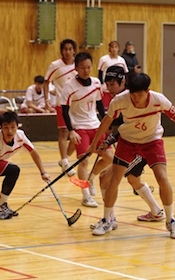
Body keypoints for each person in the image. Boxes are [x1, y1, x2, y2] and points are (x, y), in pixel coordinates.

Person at [87, 72, 175, 238]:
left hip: (152, 141)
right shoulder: (120, 101)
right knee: (114, 179)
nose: (136, 98)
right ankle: (107, 220)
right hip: (128, 141)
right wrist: (94, 144)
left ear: (148, 91)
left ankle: (171, 221)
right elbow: (106, 122)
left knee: (162, 178)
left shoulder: (159, 100)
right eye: (133, 94)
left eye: (140, 94)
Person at [89, 66, 166, 230]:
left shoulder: (132, 98)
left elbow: (132, 128)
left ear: (122, 82)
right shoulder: (120, 101)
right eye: (107, 84)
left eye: (112, 84)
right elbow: (124, 128)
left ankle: (109, 219)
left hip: (143, 144)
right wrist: (107, 141)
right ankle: (156, 211)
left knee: (106, 177)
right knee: (132, 178)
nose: (109, 88)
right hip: (130, 143)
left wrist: (108, 140)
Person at [60, 52, 114, 208]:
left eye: (89, 67)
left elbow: (99, 105)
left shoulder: (97, 83)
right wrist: (71, 131)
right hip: (80, 128)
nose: (86, 70)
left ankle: (91, 178)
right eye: (82, 67)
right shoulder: (69, 86)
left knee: (109, 157)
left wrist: (107, 123)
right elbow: (64, 110)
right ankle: (85, 195)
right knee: (84, 161)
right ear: (76, 68)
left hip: (96, 126)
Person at [43, 38, 78, 177]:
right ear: (61, 51)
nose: (68, 52)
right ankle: (65, 162)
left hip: (77, 104)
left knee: (78, 133)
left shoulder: (79, 64)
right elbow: (46, 83)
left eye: (70, 49)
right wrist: (46, 100)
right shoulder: (55, 65)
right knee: (64, 132)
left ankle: (66, 160)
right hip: (62, 103)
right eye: (65, 49)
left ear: (74, 50)